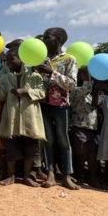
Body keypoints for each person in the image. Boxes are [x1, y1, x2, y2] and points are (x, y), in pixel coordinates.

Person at [0, 39, 46, 187]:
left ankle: (26, 177)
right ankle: (11, 175)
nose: (8, 62)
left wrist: (25, 91)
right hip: (12, 118)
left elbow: (42, 92)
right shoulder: (5, 78)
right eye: (6, 60)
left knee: (31, 148)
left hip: (30, 118)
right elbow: (3, 96)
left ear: (21, 59)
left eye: (11, 59)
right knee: (12, 148)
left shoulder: (34, 76)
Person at [37, 27, 79, 189]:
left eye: (47, 38)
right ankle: (51, 174)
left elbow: (72, 84)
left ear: (59, 39)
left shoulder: (69, 59)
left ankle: (67, 175)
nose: (44, 41)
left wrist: (51, 73)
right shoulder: (41, 58)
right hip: (44, 105)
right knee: (48, 140)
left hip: (61, 106)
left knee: (63, 140)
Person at [69, 67, 99, 187]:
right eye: (85, 75)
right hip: (78, 127)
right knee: (81, 155)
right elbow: (87, 87)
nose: (89, 78)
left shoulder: (90, 94)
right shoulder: (75, 91)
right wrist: (87, 72)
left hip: (90, 128)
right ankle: (79, 177)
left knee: (91, 155)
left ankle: (92, 177)